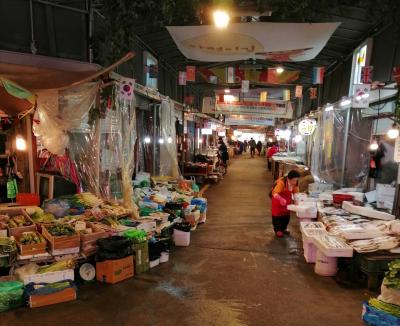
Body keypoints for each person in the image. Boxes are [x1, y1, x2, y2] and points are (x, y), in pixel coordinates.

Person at [270, 170, 300, 238]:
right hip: (277, 201)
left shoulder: (295, 183)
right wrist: (280, 199)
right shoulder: (281, 183)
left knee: (286, 216)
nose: (295, 182)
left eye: (296, 180)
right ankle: (278, 230)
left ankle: (284, 228)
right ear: (289, 179)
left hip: (287, 201)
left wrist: (296, 202)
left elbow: (296, 193)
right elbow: (274, 193)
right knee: (277, 216)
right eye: (294, 180)